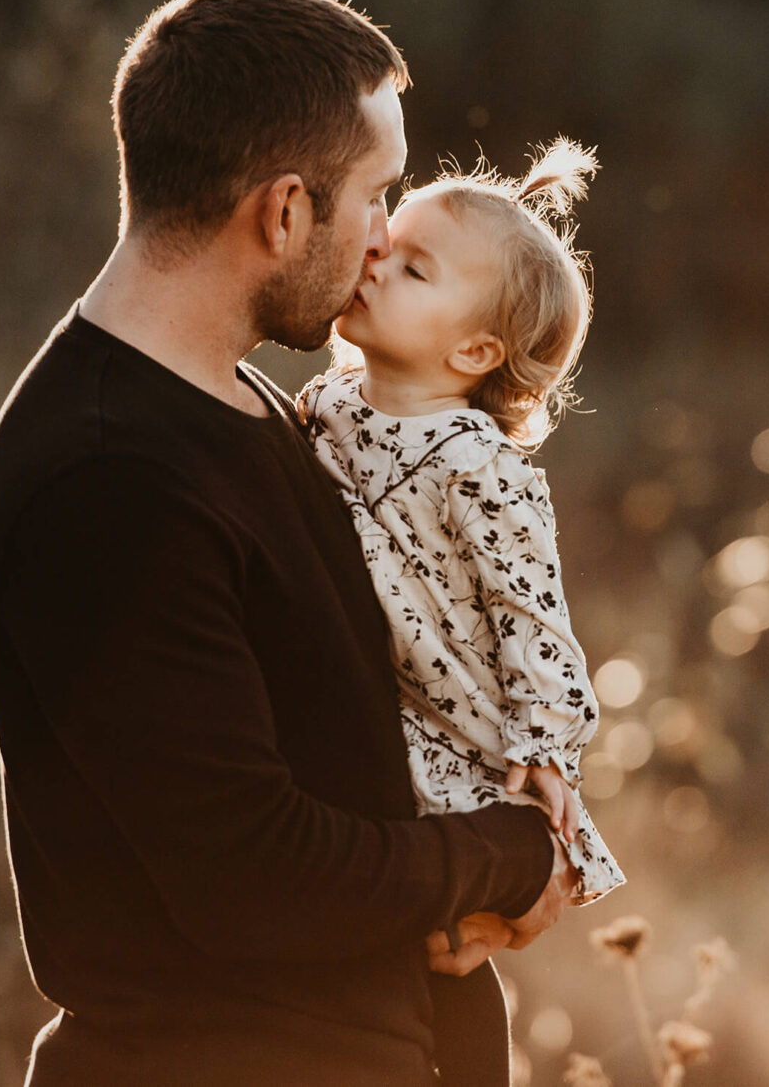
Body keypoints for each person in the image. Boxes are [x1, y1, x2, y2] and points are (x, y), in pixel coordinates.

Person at [0, 0, 573, 1087]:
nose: (382, 235)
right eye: (377, 195)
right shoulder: (106, 485)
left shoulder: (252, 408)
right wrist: (502, 854)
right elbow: (252, 875)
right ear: (284, 212)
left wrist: (521, 820)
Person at [298, 141, 625, 1087]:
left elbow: (534, 615)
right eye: (383, 244)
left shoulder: (478, 465)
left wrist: (544, 749)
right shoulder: (327, 405)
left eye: (412, 268)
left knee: (463, 914)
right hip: (384, 712)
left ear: (474, 351)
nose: (374, 263)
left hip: (463, 725)